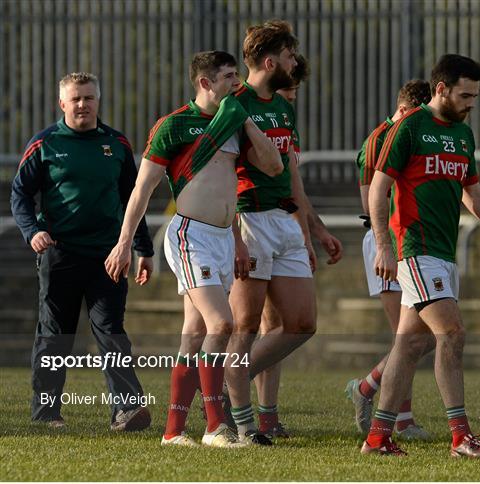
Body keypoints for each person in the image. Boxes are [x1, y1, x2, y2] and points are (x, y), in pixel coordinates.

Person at [104, 51, 283, 447]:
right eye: (228, 77)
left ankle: (173, 431)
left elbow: (274, 167)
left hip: (222, 238)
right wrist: (124, 245)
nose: (237, 84)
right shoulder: (174, 125)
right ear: (205, 83)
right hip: (190, 237)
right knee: (222, 325)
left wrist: (245, 118)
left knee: (194, 333)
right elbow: (141, 190)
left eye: (238, 76)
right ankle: (217, 426)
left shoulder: (232, 121)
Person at [361, 54, 480, 457]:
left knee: (409, 345)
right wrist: (383, 244)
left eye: (475, 97)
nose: (471, 103)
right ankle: (460, 436)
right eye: (465, 95)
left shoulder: (464, 136)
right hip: (415, 248)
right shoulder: (410, 127)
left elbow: (473, 192)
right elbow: (379, 189)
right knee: (451, 333)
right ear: (441, 89)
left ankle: (377, 438)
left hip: (443, 253)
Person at [10, 72, 154, 431]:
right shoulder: (44, 143)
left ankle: (127, 410)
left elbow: (132, 199)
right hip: (60, 255)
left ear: (98, 102)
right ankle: (46, 413)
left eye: (88, 98)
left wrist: (142, 248)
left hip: (108, 256)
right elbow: (19, 195)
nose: (82, 105)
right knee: (55, 334)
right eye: (75, 99)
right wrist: (32, 231)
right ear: (62, 104)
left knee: (111, 330)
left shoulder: (116, 144)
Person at [224, 20, 327, 442]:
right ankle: (242, 420)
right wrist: (231, 239)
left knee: (301, 323)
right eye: (288, 56)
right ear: (271, 61)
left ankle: (228, 382)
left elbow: (291, 174)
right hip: (248, 220)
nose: (293, 63)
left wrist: (307, 227)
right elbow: (217, 175)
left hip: (284, 221)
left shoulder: (283, 107)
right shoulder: (234, 104)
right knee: (246, 326)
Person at [252, 54, 343, 437]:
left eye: (294, 93)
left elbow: (294, 188)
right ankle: (230, 391)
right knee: (258, 325)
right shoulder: (245, 110)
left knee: (279, 326)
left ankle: (265, 413)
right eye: (287, 90)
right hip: (250, 223)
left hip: (283, 225)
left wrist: (314, 232)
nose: (289, 99)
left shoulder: (286, 123)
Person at [345, 80, 434, 441]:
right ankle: (399, 417)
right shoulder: (381, 139)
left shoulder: (412, 134)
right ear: (409, 110)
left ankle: (369, 389)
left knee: (420, 335)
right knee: (408, 335)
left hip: (411, 241)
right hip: (387, 241)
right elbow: (371, 202)